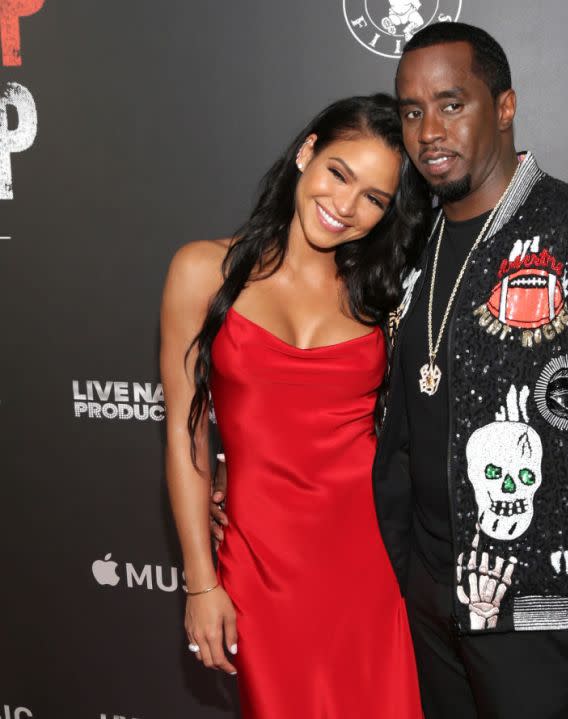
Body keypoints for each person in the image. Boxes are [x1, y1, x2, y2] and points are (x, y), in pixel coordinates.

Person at [212, 23, 568, 719]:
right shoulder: (407, 243)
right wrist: (245, 467)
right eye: (412, 110)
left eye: (452, 104)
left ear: (504, 107)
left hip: (535, 611)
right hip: (422, 594)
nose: (429, 129)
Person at [161, 94, 430, 719]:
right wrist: (201, 581)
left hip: (374, 562)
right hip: (259, 565)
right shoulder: (203, 270)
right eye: (340, 172)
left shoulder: (387, 296)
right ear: (307, 152)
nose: (345, 206)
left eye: (374, 198)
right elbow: (184, 431)